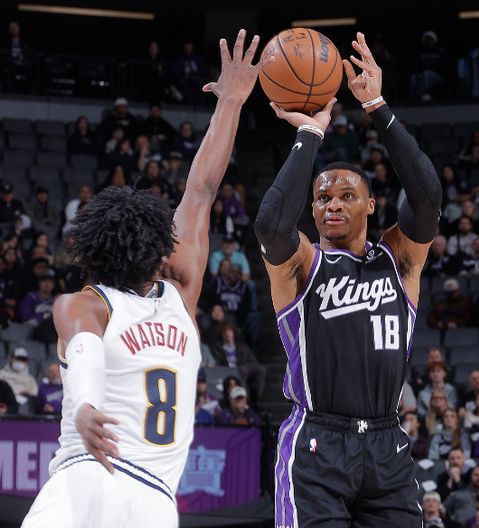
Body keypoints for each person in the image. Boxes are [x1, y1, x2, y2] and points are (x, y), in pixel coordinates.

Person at [21, 30, 262, 527]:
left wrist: (86, 409)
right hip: (151, 500)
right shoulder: (182, 290)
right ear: (158, 248)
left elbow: (84, 352)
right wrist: (231, 103)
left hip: (86, 479)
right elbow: (201, 189)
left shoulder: (82, 303)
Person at [254, 32, 442, 527]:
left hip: (388, 442)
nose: (332, 204)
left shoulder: (399, 259)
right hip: (318, 443)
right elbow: (271, 224)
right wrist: (310, 134)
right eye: (322, 198)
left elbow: (427, 197)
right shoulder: (303, 265)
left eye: (346, 196)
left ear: (371, 205)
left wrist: (377, 107)